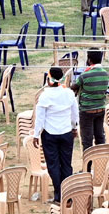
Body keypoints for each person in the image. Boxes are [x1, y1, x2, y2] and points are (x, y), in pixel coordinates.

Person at [33, 66, 78, 203]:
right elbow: (74, 113)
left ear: (49, 79)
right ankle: (67, 194)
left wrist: (36, 134)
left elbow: (40, 118)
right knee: (66, 164)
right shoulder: (69, 93)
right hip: (66, 133)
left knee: (53, 165)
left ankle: (59, 194)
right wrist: (74, 127)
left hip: (50, 135)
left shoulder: (45, 96)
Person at [71, 51, 109, 148]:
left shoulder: (85, 75)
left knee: (87, 141)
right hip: (101, 109)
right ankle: (101, 156)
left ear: (89, 60)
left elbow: (74, 86)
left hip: (87, 111)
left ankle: (88, 158)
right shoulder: (105, 74)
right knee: (100, 137)